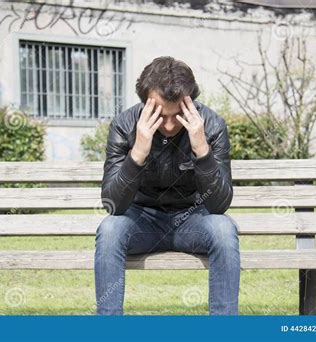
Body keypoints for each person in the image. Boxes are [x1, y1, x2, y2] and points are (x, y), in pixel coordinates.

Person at [95, 56, 240, 315]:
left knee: (223, 228)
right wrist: (138, 152)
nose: (171, 125)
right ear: (145, 103)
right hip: (141, 223)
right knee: (110, 229)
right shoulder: (124, 125)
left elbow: (219, 204)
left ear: (190, 103)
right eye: (161, 116)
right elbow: (113, 205)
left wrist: (201, 149)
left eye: (177, 115)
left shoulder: (213, 125)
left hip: (193, 221)